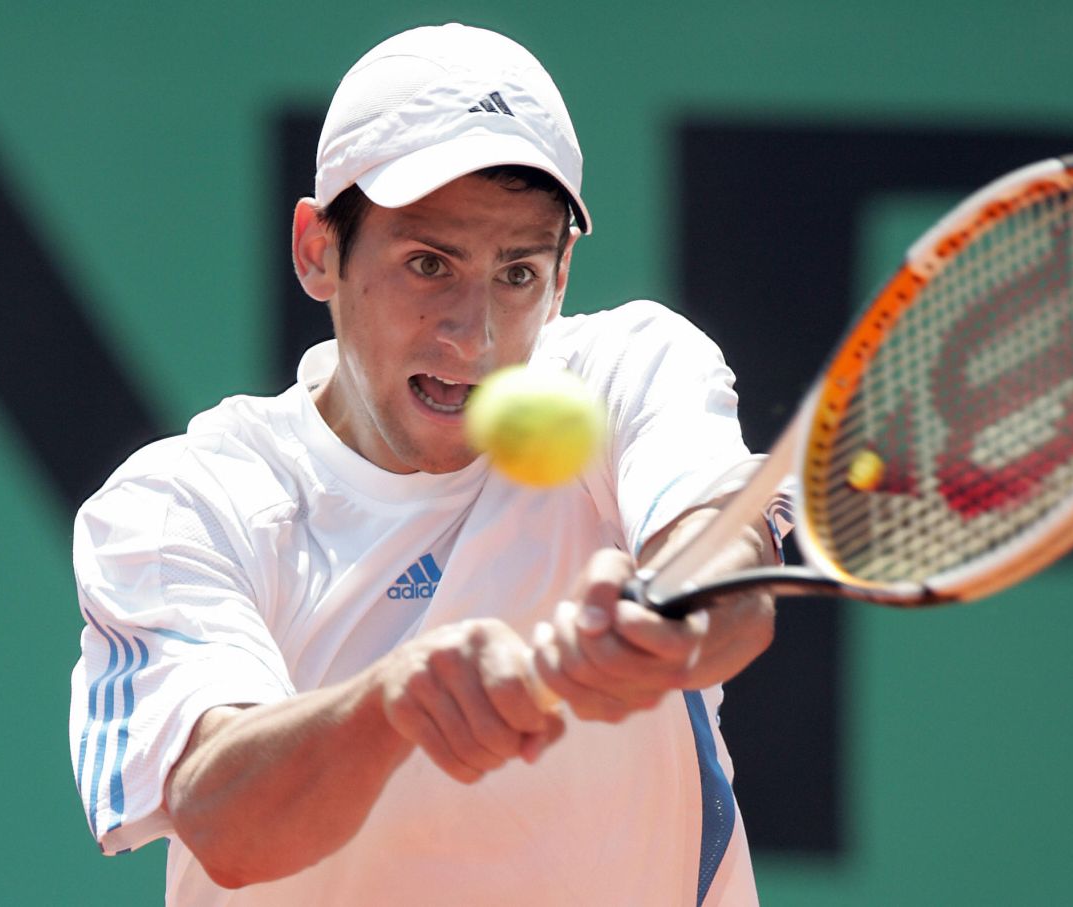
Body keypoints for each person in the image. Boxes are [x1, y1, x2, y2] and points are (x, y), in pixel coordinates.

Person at [69, 22, 780, 906]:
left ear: (562, 277)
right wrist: (393, 700)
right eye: (428, 263)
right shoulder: (183, 506)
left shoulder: (632, 370)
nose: (473, 334)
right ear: (318, 249)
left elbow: (728, 581)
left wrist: (668, 619)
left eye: (516, 273)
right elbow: (225, 822)